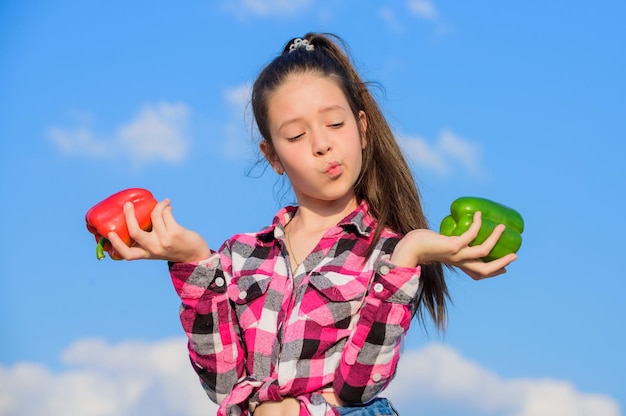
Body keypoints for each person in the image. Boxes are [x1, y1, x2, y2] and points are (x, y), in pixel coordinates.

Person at [107, 33, 517, 416]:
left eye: (335, 124)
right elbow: (223, 383)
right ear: (273, 158)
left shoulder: (388, 253)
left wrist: (410, 253)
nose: (322, 144)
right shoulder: (240, 257)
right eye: (297, 135)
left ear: (362, 128)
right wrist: (194, 261)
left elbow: (359, 386)